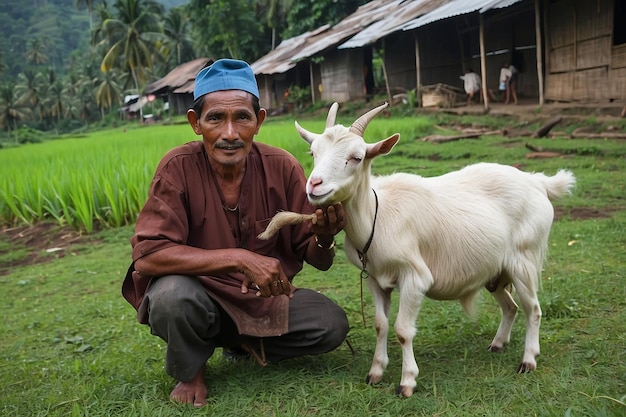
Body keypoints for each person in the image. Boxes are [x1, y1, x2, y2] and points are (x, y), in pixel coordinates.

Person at [122, 58, 350, 407]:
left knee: (330, 323)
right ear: (196, 124)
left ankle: (240, 340)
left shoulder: (283, 167)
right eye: (216, 118)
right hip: (199, 296)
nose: (230, 134)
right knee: (171, 298)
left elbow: (318, 260)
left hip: (261, 301)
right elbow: (149, 257)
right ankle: (191, 370)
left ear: (258, 121)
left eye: (242, 117)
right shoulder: (177, 168)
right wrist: (240, 259)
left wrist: (325, 236)